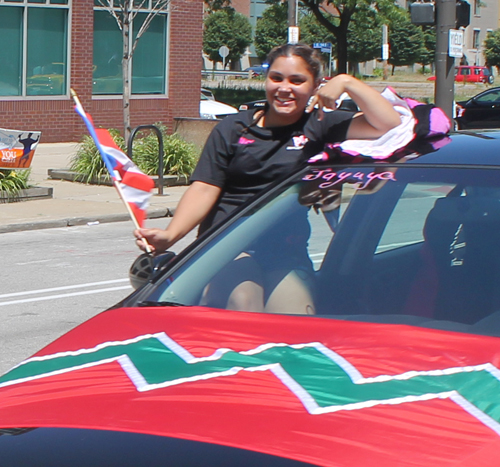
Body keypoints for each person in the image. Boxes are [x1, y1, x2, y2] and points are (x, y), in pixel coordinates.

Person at [134, 43, 400, 312]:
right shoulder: (233, 128)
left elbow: (389, 124)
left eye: (297, 80)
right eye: (277, 78)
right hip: (228, 247)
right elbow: (204, 188)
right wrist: (170, 236)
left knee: (295, 321)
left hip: (285, 252)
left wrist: (346, 81)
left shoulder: (320, 125)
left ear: (315, 85)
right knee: (244, 302)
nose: (285, 88)